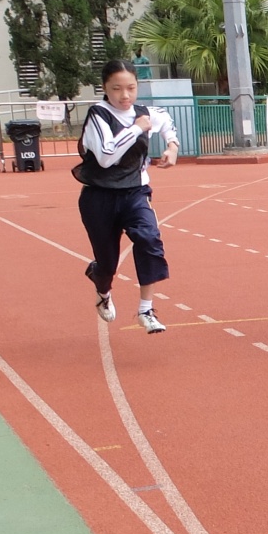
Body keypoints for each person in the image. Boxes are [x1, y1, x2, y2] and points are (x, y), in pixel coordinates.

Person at [76, 58, 178, 333]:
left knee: (149, 238)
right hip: (99, 197)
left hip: (135, 192)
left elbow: (165, 119)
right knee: (108, 264)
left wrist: (172, 145)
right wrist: (136, 128)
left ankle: (146, 310)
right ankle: (102, 289)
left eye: (131, 88)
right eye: (117, 88)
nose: (125, 95)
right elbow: (106, 156)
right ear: (105, 88)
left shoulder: (144, 112)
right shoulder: (98, 115)